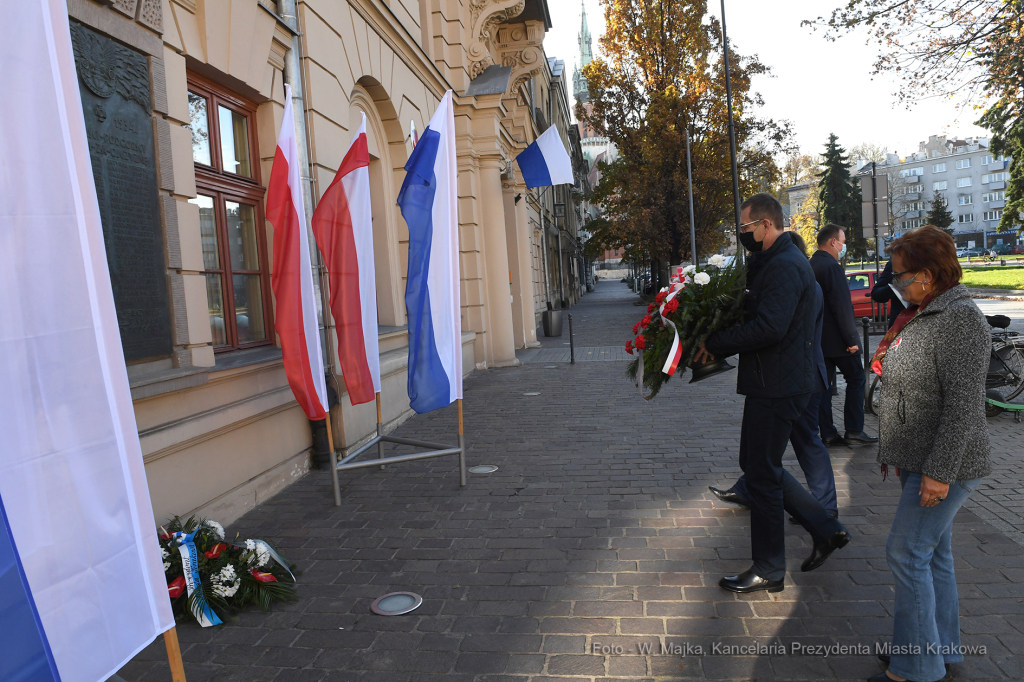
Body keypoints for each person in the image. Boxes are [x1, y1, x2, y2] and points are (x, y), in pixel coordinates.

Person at [695, 194, 849, 594]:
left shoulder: (783, 265)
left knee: (762, 474)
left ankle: (769, 567)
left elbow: (769, 328)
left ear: (766, 225)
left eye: (746, 228)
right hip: (775, 381)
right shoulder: (774, 261)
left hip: (780, 385)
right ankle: (826, 529)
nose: (743, 235)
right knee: (757, 464)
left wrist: (716, 341)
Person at [869, 225, 991, 682]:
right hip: (921, 456)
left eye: (901, 276)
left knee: (907, 553)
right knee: (932, 554)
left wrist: (938, 474)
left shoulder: (960, 318)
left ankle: (917, 668)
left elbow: (963, 407)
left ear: (927, 273)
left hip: (945, 465)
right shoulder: (932, 309)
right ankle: (937, 648)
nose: (896, 284)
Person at [709, 231, 838, 518]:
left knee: (804, 444)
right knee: (763, 454)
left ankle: (824, 511)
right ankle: (752, 490)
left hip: (797, 378)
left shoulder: (798, 279)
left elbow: (774, 329)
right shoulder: (793, 277)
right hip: (788, 377)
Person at [811, 224, 877, 446]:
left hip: (819, 339)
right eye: (843, 240)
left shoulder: (811, 264)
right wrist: (852, 340)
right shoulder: (832, 267)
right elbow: (842, 307)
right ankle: (855, 430)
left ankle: (828, 433)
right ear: (832, 242)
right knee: (857, 378)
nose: (844, 245)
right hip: (839, 341)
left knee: (824, 387)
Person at [870, 258, 906, 330]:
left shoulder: (932, 261)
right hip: (900, 324)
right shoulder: (896, 262)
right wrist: (895, 285)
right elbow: (876, 294)